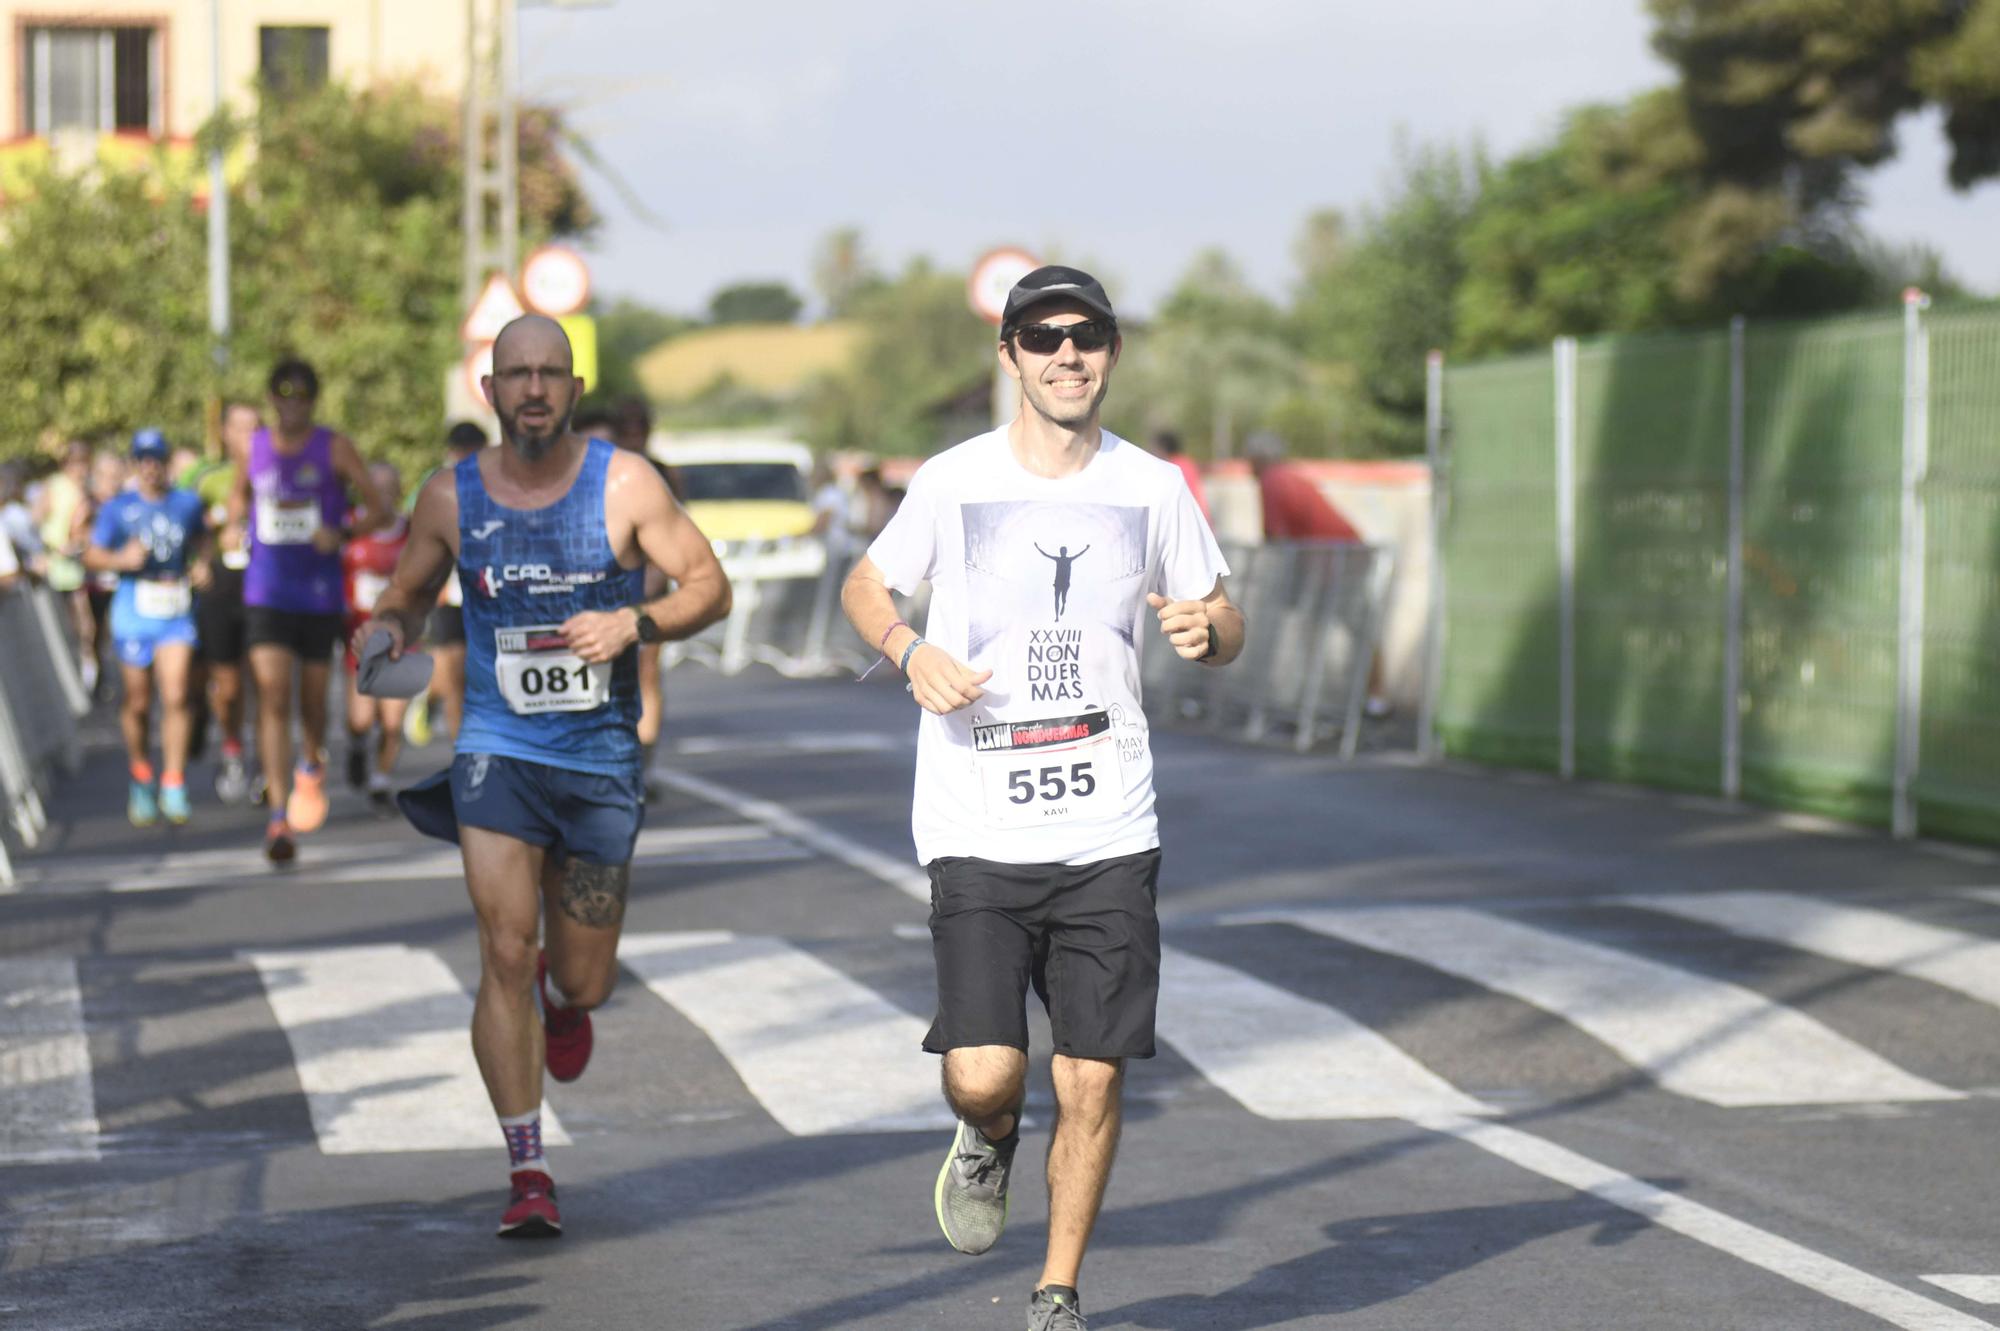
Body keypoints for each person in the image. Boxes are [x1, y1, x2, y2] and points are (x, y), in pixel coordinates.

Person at [840, 265, 1243, 1331]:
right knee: (984, 1073)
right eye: (1044, 335)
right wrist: (907, 647)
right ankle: (986, 1135)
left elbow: (1217, 607)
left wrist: (1211, 634)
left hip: (1109, 823)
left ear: (1109, 350)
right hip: (976, 823)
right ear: (1009, 353)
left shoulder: (1151, 486)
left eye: (1088, 335)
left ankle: (1056, 1290)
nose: (1068, 353)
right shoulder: (952, 479)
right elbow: (864, 583)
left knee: (1091, 1078)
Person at [357, 315, 730, 1238]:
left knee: (584, 975)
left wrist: (635, 625)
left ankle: (569, 1005)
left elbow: (708, 585)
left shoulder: (626, 483)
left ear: (571, 388)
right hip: (498, 750)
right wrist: (389, 626)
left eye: (550, 373)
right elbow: (407, 586)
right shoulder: (450, 495)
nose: (533, 388)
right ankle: (527, 1166)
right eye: (516, 372)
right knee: (503, 951)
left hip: (600, 761)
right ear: (489, 389)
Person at [230, 360, 392, 864]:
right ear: (272, 399)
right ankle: (279, 816)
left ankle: (310, 763)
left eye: (302, 396)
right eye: (283, 395)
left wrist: (340, 533)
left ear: (313, 401)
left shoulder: (334, 447)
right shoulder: (253, 448)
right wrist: (233, 526)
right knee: (273, 698)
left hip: (319, 593)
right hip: (267, 591)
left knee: (313, 703)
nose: (292, 404)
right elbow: (238, 500)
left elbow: (379, 510)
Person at [83, 430, 208, 827]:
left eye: (157, 459)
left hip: (174, 608)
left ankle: (173, 780)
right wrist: (121, 558)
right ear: (135, 464)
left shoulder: (186, 503)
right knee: (137, 701)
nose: (151, 467)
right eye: (143, 459)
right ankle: (141, 772)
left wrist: (203, 563)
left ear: (167, 462)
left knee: (176, 693)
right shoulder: (118, 509)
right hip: (134, 611)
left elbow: (203, 540)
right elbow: (92, 553)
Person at [1243, 432, 1390, 715]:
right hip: (1330, 562)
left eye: (1249, 459)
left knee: (1359, 629)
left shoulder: (1272, 480)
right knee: (1335, 629)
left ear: (1259, 459)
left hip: (1340, 563)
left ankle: (1372, 698)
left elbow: (1275, 537)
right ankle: (1325, 699)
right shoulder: (1286, 476)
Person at [183, 402, 259, 803]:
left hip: (264, 584)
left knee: (267, 677)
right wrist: (198, 562)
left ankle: (268, 759)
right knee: (228, 685)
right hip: (221, 587)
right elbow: (185, 528)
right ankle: (232, 747)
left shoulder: (275, 471)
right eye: (240, 428)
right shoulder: (206, 478)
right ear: (224, 432)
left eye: (255, 428)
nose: (248, 436)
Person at [604, 393, 675, 797]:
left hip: (649, 590)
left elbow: (677, 534)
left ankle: (644, 765)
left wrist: (658, 575)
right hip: (610, 587)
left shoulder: (662, 472)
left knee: (647, 673)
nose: (634, 435)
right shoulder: (607, 471)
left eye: (639, 428)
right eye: (626, 429)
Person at [343, 462, 411, 812]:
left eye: (390, 488)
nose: (383, 496)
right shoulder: (351, 528)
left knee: (393, 720)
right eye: (376, 488)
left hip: (401, 638)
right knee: (361, 718)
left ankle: (380, 779)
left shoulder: (411, 531)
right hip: (360, 638)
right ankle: (357, 745)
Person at [418, 421, 489, 745]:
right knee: (456, 676)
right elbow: (418, 540)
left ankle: (434, 696)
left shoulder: (502, 485)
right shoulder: (435, 486)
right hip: (449, 596)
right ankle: (465, 751)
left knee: (484, 676)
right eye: (461, 454)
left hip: (488, 595)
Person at [35, 441, 97, 692]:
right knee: (60, 622)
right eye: (77, 463)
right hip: (55, 564)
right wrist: (53, 545)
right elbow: (37, 519)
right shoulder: (55, 486)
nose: (81, 468)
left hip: (77, 566)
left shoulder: (86, 489)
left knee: (86, 624)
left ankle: (87, 672)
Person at [1146, 429, 1208, 520]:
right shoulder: (1187, 463)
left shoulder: (1170, 467)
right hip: (1198, 515)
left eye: (1155, 448)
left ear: (1163, 449)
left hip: (1186, 516)